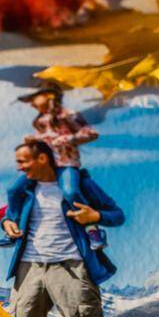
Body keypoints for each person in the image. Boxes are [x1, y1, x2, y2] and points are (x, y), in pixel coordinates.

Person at [0, 139, 125, 317]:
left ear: (43, 158)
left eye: (23, 161)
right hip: (29, 268)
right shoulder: (24, 191)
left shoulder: (79, 185)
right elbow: (9, 216)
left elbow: (117, 214)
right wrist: (7, 223)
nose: (19, 168)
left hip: (71, 267)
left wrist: (95, 215)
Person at [7, 82, 105, 251]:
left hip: (66, 163)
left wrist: (68, 139)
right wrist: (34, 141)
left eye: (34, 99)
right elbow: (45, 141)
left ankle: (93, 231)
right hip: (44, 167)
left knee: (71, 191)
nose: (32, 104)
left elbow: (91, 133)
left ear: (49, 96)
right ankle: (13, 228)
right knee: (14, 190)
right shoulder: (39, 120)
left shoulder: (68, 115)